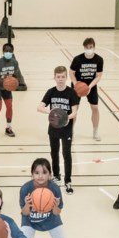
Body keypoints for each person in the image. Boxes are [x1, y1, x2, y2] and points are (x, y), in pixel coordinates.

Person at [18, 158, 68, 238]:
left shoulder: (55, 189)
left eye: (44, 172)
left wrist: (55, 206)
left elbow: (57, 212)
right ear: (32, 174)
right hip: (30, 220)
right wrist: (27, 205)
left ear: (50, 174)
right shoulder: (25, 189)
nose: (40, 176)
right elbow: (24, 213)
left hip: (51, 219)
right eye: (37, 172)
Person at [38, 66, 80, 194]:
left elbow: (75, 112)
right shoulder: (51, 92)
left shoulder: (71, 92)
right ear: (54, 77)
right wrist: (51, 111)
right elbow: (39, 107)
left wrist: (66, 117)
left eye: (63, 77)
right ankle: (56, 176)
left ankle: (68, 181)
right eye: (58, 77)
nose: (60, 79)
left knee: (66, 154)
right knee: (54, 152)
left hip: (66, 128)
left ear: (66, 77)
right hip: (53, 128)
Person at [69, 37, 105, 141]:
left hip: (91, 86)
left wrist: (89, 87)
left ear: (94, 47)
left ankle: (95, 130)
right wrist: (76, 84)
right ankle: (71, 130)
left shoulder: (99, 59)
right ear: (84, 47)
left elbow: (98, 75)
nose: (88, 49)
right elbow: (71, 72)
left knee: (95, 108)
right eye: (86, 47)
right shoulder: (77, 59)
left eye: (90, 47)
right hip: (77, 86)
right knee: (74, 109)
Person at [0, 42, 24, 139]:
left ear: (12, 52)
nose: (8, 52)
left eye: (10, 51)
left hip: (7, 88)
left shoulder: (15, 62)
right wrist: (4, 80)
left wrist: (14, 81)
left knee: (10, 107)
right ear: (3, 52)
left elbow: (17, 76)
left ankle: (8, 128)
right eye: (6, 51)